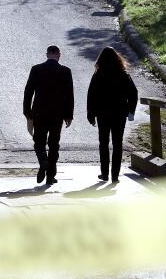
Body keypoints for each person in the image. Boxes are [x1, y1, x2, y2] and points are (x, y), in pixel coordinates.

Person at [22, 45, 74, 185]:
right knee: (54, 144)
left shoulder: (36, 69)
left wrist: (27, 111)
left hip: (39, 112)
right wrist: (69, 115)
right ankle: (50, 175)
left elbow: (28, 91)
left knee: (39, 141)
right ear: (59, 55)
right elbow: (69, 95)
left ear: (47, 55)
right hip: (57, 113)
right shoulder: (65, 71)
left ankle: (43, 162)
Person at [86, 46, 138, 182]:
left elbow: (91, 95)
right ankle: (115, 176)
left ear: (101, 59)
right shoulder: (123, 74)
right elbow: (133, 93)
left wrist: (90, 114)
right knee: (117, 144)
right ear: (117, 59)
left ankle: (104, 174)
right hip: (119, 113)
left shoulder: (98, 75)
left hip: (102, 113)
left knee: (103, 143)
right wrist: (131, 110)